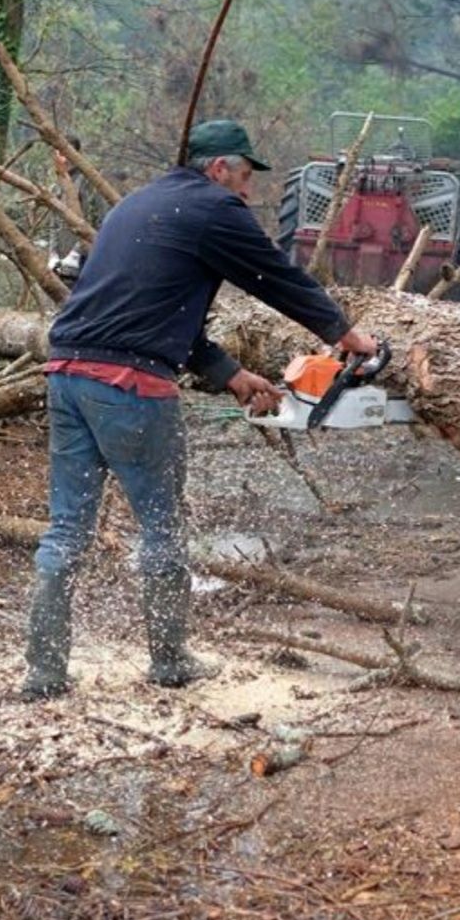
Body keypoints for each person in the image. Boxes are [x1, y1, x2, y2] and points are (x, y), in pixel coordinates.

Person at [22, 118, 376, 700]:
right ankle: (168, 660)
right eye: (243, 176)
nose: (248, 191)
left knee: (66, 530)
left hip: (65, 376)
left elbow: (148, 314)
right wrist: (345, 333)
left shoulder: (135, 206)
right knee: (161, 526)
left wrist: (230, 375)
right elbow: (275, 276)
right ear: (218, 168)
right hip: (130, 387)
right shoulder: (215, 208)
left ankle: (43, 671)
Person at [48, 135, 108, 286]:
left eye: (67, 153)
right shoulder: (57, 185)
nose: (64, 159)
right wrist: (53, 253)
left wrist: (76, 253)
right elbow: (54, 222)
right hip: (62, 257)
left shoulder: (87, 183)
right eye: (60, 154)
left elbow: (96, 221)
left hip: (85, 258)